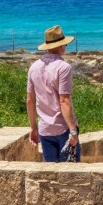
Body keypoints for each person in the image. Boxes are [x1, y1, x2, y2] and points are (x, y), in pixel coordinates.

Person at [26, 26, 79, 162]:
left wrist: (33, 128)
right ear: (62, 45)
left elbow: (30, 101)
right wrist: (73, 130)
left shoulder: (33, 67)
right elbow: (64, 101)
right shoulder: (63, 68)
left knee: (49, 175)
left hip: (44, 129)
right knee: (72, 175)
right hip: (63, 129)